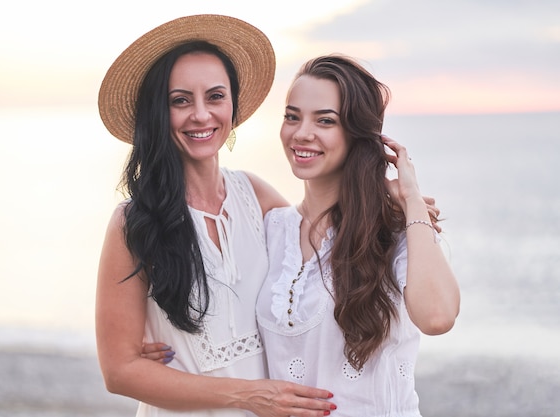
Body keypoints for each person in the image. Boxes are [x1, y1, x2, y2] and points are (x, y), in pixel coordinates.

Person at [95, 14, 337, 417]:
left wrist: (399, 204)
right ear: (158, 111)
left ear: (232, 104)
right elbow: (119, 371)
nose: (201, 115)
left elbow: (328, 248)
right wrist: (247, 396)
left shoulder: (255, 195)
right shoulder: (131, 223)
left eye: (215, 96)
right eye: (180, 100)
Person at [254, 55, 461, 417]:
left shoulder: (395, 233)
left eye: (325, 121)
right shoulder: (272, 228)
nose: (302, 132)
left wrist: (412, 200)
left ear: (356, 134)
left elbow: (438, 317)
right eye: (292, 116)